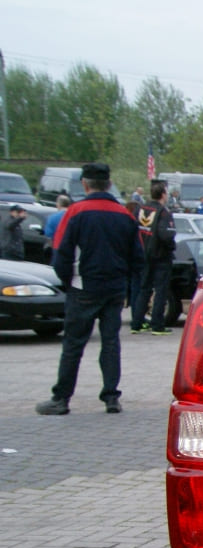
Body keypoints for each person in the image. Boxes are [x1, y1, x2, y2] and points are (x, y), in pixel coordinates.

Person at [35, 163, 143, 416]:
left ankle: (61, 398)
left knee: (73, 345)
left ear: (85, 184)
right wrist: (125, 284)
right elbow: (138, 258)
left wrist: (68, 281)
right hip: (114, 288)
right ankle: (111, 397)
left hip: (83, 286)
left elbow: (60, 253)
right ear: (109, 184)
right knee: (110, 343)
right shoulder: (124, 215)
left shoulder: (75, 212)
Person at [130, 180, 177, 335]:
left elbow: (134, 229)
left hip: (142, 255)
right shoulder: (163, 213)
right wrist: (171, 247)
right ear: (163, 194)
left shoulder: (141, 209)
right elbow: (166, 235)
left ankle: (136, 323)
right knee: (160, 290)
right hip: (160, 256)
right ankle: (157, 324)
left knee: (144, 289)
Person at [42, 195, 71, 265]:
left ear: (58, 204)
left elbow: (49, 236)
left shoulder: (52, 218)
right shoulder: (75, 216)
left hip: (58, 248)